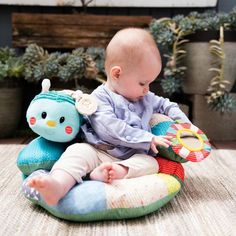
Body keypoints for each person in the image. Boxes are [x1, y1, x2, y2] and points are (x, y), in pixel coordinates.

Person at [27, 28, 190, 206]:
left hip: (133, 155)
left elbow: (167, 105)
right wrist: (148, 137)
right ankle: (57, 185)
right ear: (117, 74)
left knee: (151, 162)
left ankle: (114, 171)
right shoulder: (99, 98)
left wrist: (185, 125)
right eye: (143, 83)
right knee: (76, 153)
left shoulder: (145, 97)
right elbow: (110, 129)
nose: (147, 89)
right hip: (99, 151)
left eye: (150, 83)